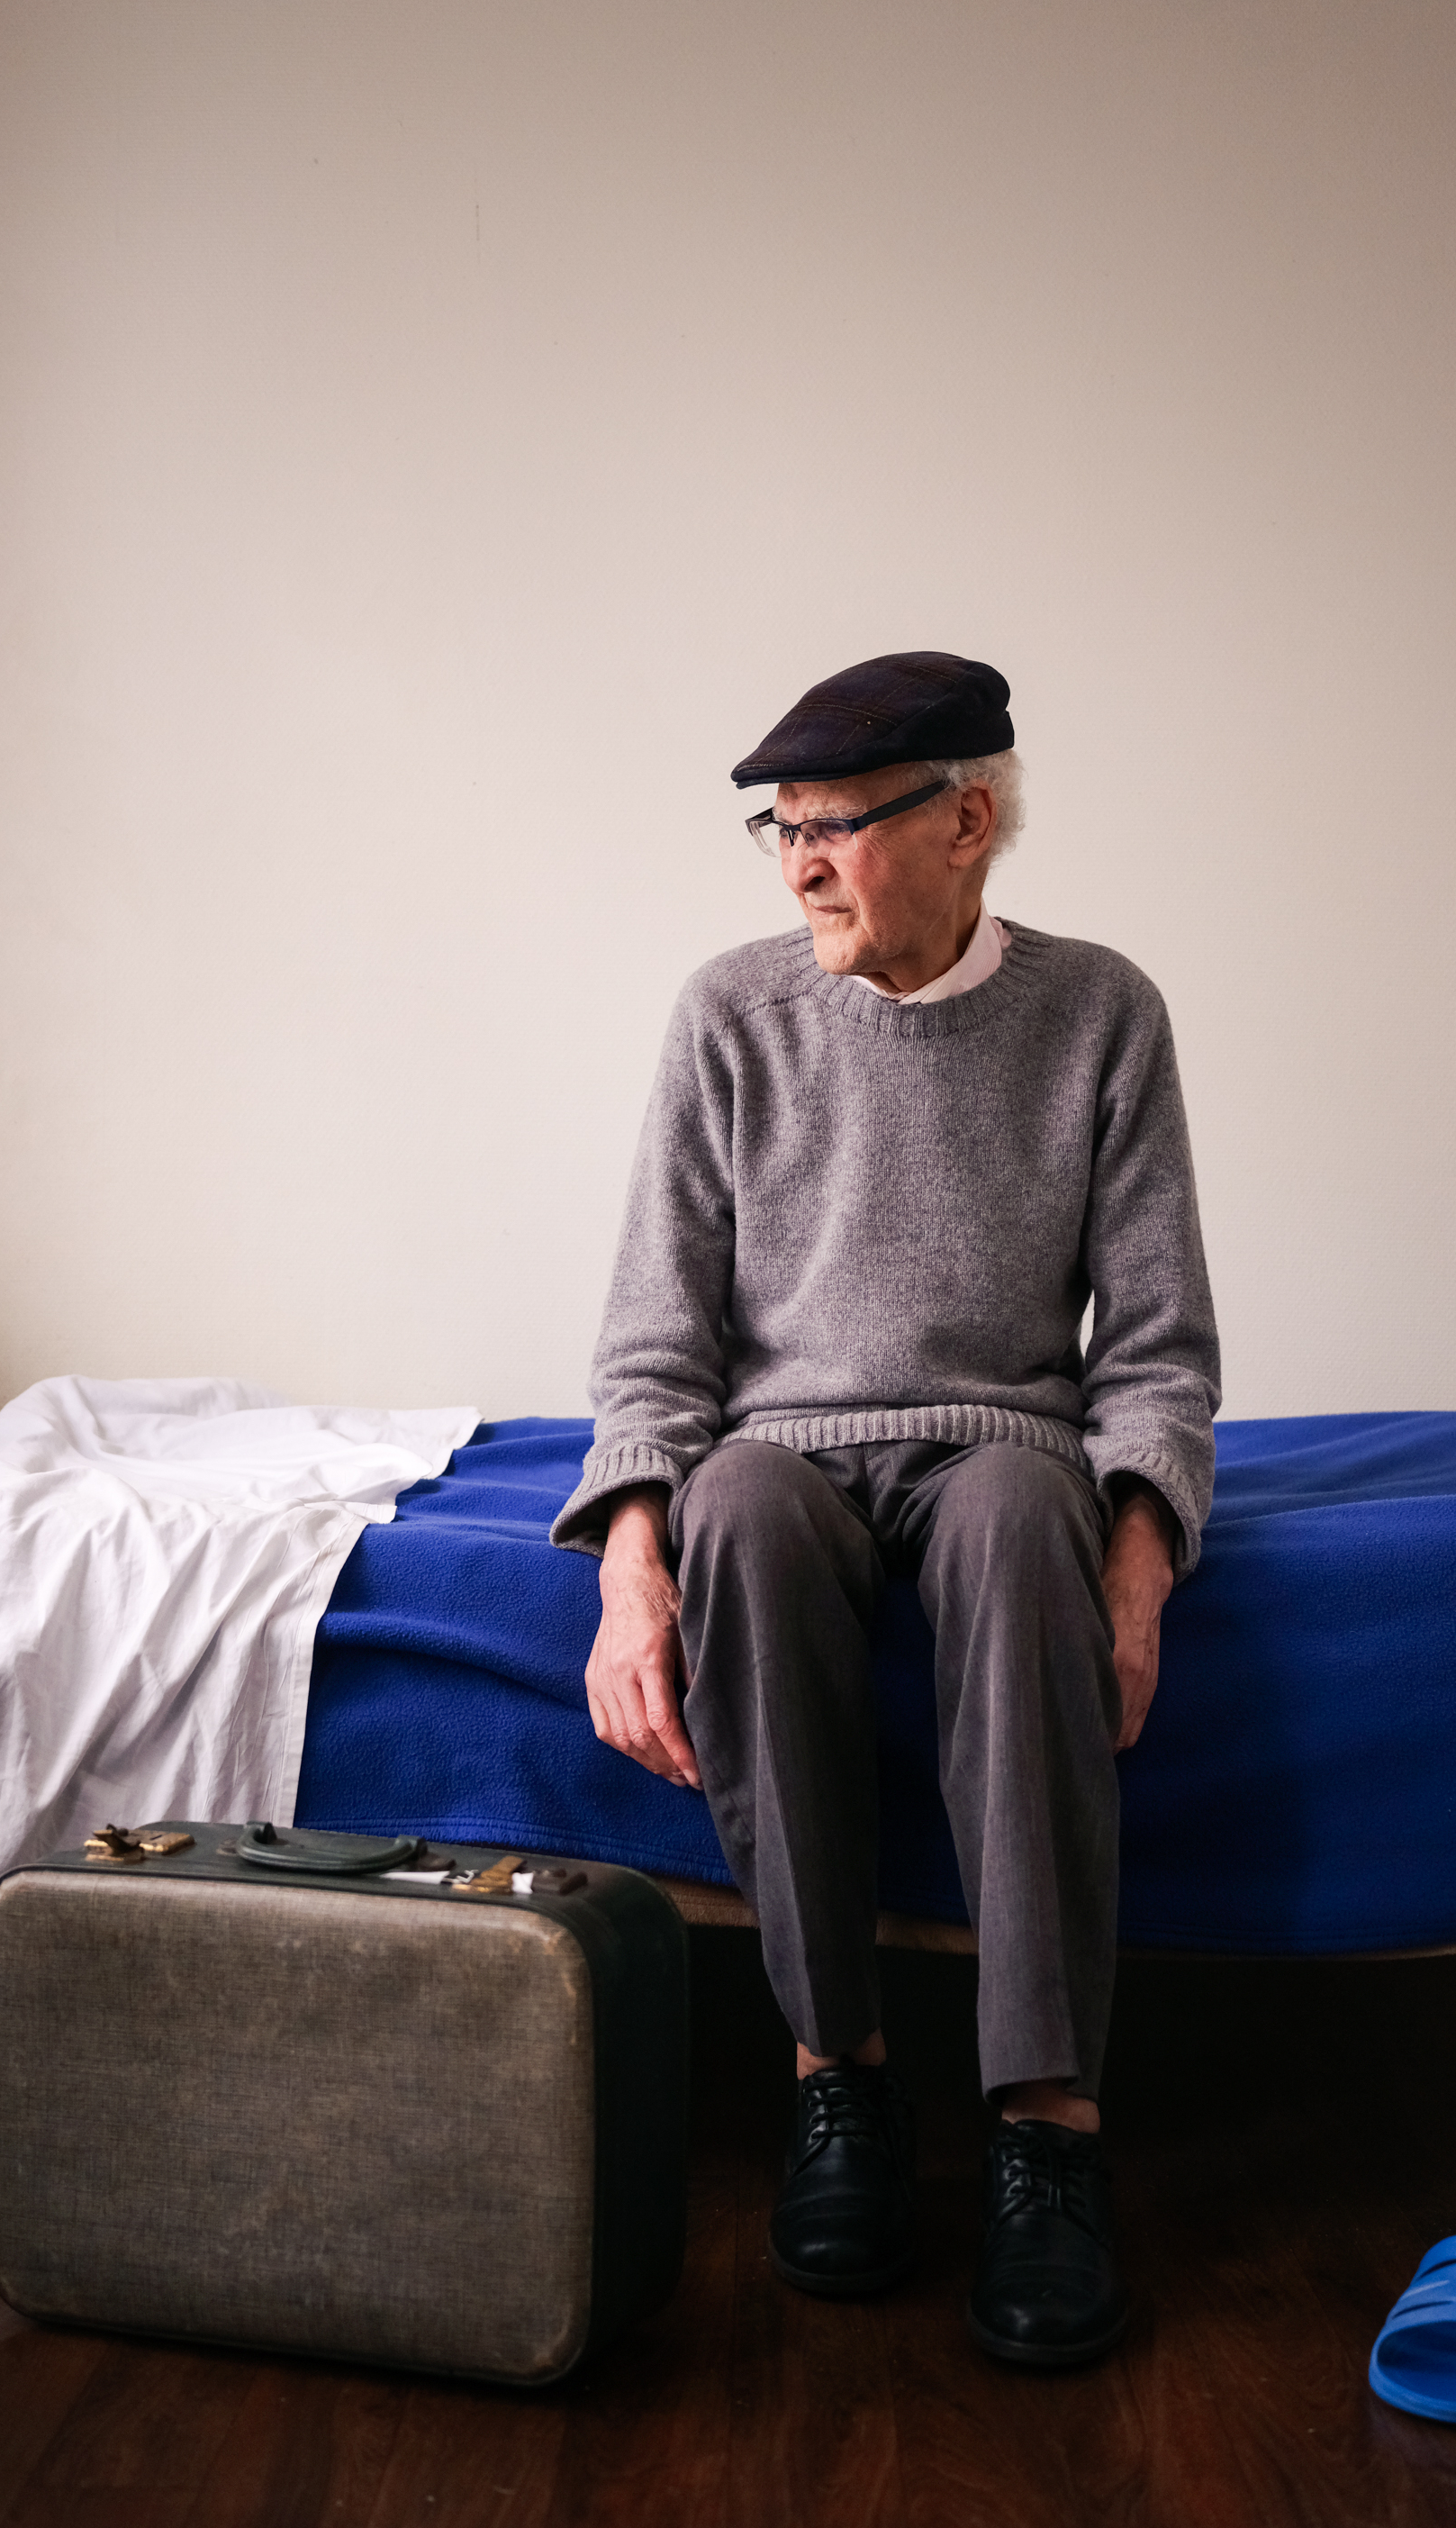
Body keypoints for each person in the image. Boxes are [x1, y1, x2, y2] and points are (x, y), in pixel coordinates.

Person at [552, 651, 1219, 2365]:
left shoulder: (1098, 1014)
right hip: (784, 1447)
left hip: (1001, 1437)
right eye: (780, 831)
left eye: (836, 826)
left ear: (967, 824)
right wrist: (633, 1570)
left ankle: (1044, 2130)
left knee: (1016, 1519)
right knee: (746, 1521)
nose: (799, 864)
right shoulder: (729, 1014)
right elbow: (652, 1350)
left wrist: (1134, 1566)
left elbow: (1152, 1352)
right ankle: (833, 2080)